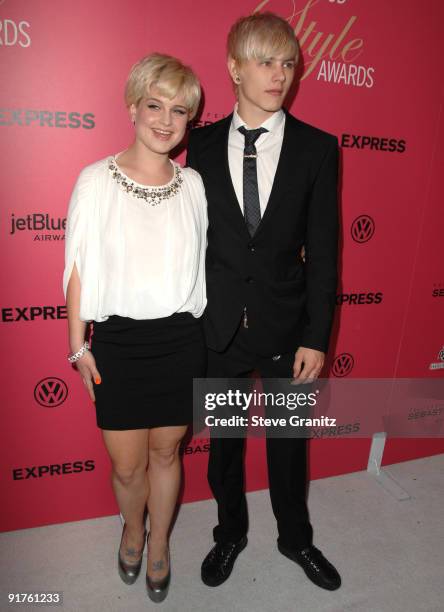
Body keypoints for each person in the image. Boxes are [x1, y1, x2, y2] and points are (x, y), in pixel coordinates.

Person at [187, 13, 341, 591]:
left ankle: (295, 539)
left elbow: (324, 253)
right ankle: (229, 535)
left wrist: (315, 336)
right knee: (223, 448)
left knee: (287, 447)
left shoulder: (317, 149)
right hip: (219, 327)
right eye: (264, 61)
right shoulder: (196, 146)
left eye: (287, 63)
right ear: (234, 67)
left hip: (286, 326)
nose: (279, 75)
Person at [63, 53, 207, 603]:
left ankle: (161, 544)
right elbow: (78, 266)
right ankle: (131, 528)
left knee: (167, 454)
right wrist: (78, 346)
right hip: (119, 343)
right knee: (126, 469)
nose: (166, 120)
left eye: (179, 110)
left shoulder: (193, 184)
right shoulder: (96, 180)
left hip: (180, 341)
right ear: (132, 107)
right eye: (155, 105)